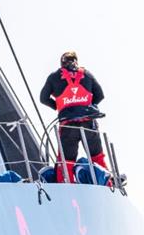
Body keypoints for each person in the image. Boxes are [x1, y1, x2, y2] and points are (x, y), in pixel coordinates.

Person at [39, 51, 107, 183]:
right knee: (97, 157)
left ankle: (65, 185)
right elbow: (100, 95)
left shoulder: (54, 77)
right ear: (76, 61)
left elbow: (43, 98)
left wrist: (59, 107)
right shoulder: (86, 74)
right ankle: (108, 183)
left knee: (66, 162)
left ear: (62, 63)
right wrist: (86, 107)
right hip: (89, 123)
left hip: (68, 125)